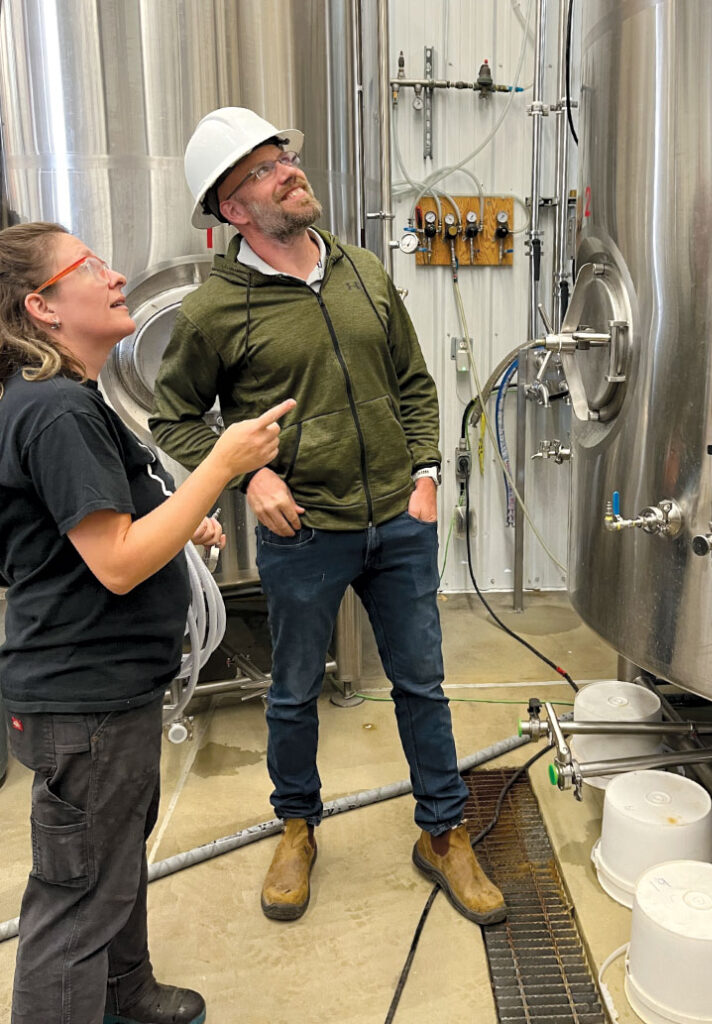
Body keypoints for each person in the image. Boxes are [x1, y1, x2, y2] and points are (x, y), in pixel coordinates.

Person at [149, 107, 507, 927]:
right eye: (264, 168)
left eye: (285, 155)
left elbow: (414, 382)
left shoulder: (362, 270)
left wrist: (423, 474)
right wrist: (250, 477)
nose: (288, 169)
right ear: (234, 208)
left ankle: (443, 834)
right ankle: (298, 827)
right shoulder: (214, 311)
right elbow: (171, 417)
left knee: (422, 684)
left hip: (400, 523)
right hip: (304, 534)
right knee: (295, 690)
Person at [0, 221, 294, 1024]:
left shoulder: (74, 397)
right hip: (81, 701)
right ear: (44, 306)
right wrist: (221, 468)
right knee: (76, 901)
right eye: (88, 265)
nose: (116, 271)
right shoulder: (55, 410)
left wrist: (175, 509)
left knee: (114, 858)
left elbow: (109, 517)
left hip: (110, 688)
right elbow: (119, 561)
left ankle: (126, 993)